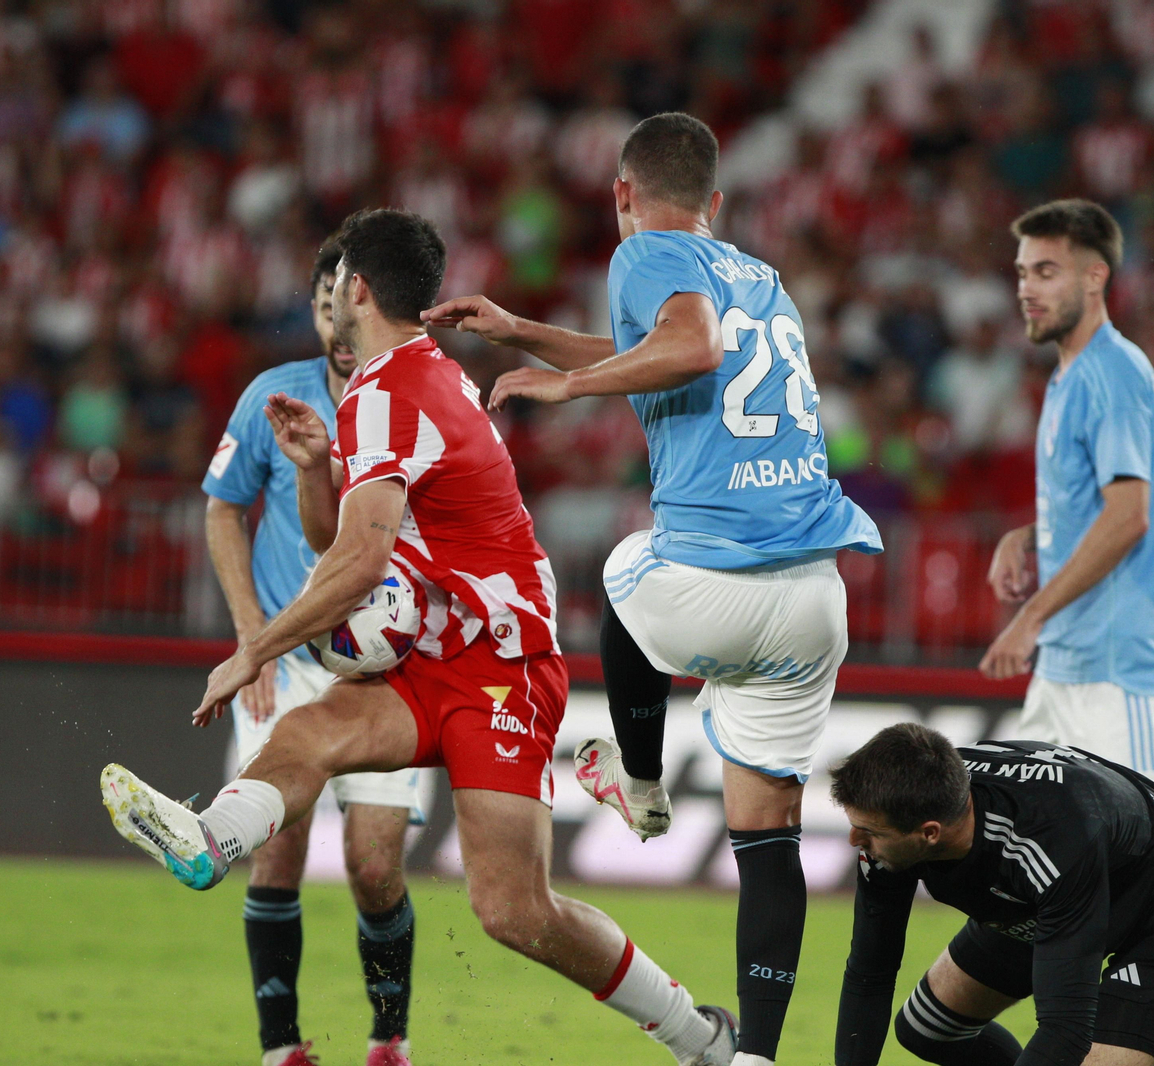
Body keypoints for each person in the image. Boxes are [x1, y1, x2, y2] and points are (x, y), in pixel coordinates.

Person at [101, 208, 739, 1066]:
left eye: (335, 288)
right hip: (439, 647)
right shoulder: (406, 379)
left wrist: (253, 647)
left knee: (514, 913)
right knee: (307, 732)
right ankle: (210, 844)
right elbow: (344, 541)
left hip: (504, 665)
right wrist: (314, 469)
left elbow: (360, 564)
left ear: (355, 289)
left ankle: (698, 1037)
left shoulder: (391, 394)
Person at [421, 112, 883, 1066]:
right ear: (715, 201)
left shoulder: (644, 254)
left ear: (623, 192)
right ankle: (755, 1053)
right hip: (815, 596)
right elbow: (665, 358)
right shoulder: (759, 276)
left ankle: (639, 787)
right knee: (767, 842)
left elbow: (690, 349)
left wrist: (558, 391)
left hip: (718, 571)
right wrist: (528, 335)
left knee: (625, 572)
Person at [979, 200, 1154, 1063]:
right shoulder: (1070, 376)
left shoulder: (1114, 372)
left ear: (1095, 276)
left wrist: (1031, 615)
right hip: (1067, 678)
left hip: (1121, 676)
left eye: (1044, 271)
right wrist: (1027, 534)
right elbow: (1090, 505)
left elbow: (1131, 515)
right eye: (1022, 271)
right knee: (1036, 881)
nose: (1025, 289)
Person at [201, 232, 424, 1066]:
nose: (335, 314)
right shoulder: (275, 394)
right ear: (316, 306)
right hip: (286, 660)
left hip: (380, 667)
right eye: (323, 298)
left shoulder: (409, 399)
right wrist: (251, 635)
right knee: (277, 847)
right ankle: (280, 1048)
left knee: (372, 866)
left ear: (370, 301)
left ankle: (388, 1037)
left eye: (347, 297)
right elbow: (223, 506)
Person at [830, 723, 1154, 1066]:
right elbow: (870, 973)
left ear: (930, 833)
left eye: (869, 832)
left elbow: (1065, 1029)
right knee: (927, 1029)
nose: (854, 840)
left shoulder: (1049, 846)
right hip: (1054, 895)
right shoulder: (914, 794)